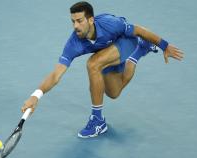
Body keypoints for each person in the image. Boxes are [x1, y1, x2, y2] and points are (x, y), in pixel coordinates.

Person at [21, 1, 184, 138]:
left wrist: (164, 45)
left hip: (126, 41)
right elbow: (56, 74)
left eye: (79, 20)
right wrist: (36, 95)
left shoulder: (109, 23)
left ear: (91, 20)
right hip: (107, 53)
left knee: (93, 64)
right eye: (73, 21)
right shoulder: (73, 44)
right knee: (114, 92)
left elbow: (138, 30)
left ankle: (98, 121)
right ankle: (140, 51)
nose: (75, 26)